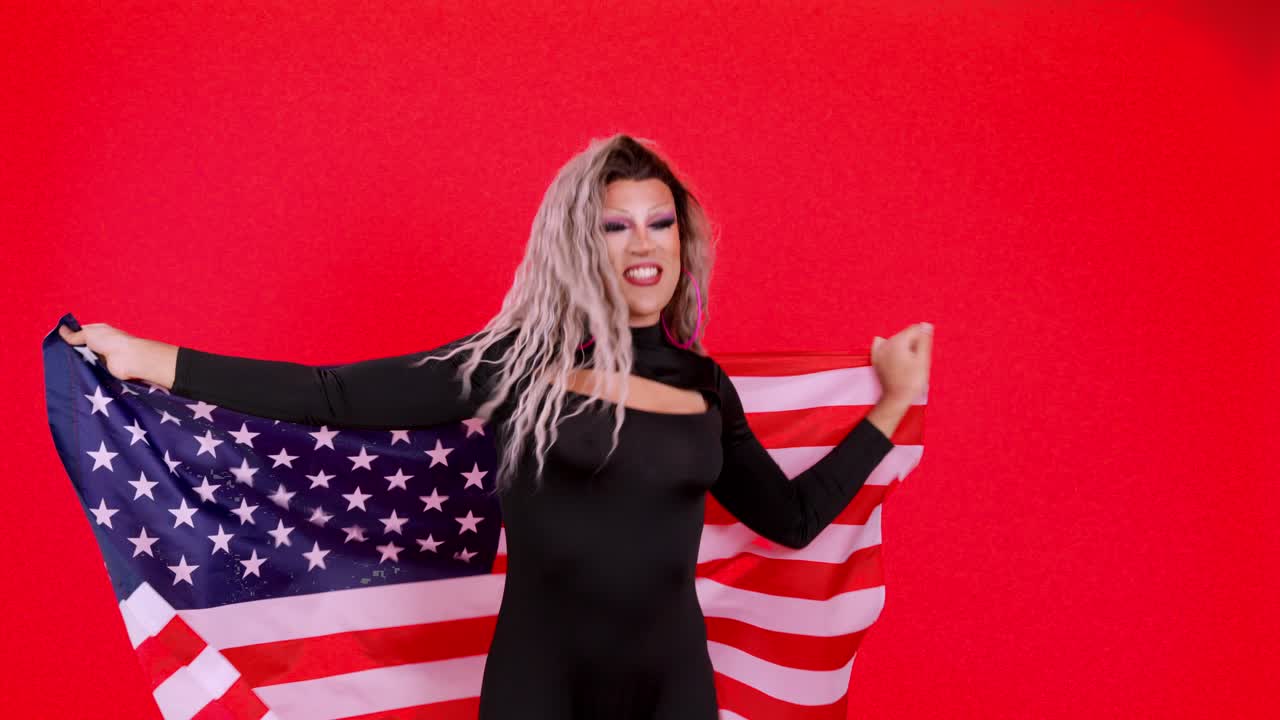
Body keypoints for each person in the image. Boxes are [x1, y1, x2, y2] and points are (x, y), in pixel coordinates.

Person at [59, 133, 932, 719]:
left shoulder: (704, 386)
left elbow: (787, 519)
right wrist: (152, 359)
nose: (644, 243)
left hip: (673, 689)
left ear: (684, 238)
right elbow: (333, 395)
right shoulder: (516, 362)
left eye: (660, 222)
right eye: (615, 224)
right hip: (539, 686)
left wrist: (889, 409)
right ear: (578, 244)